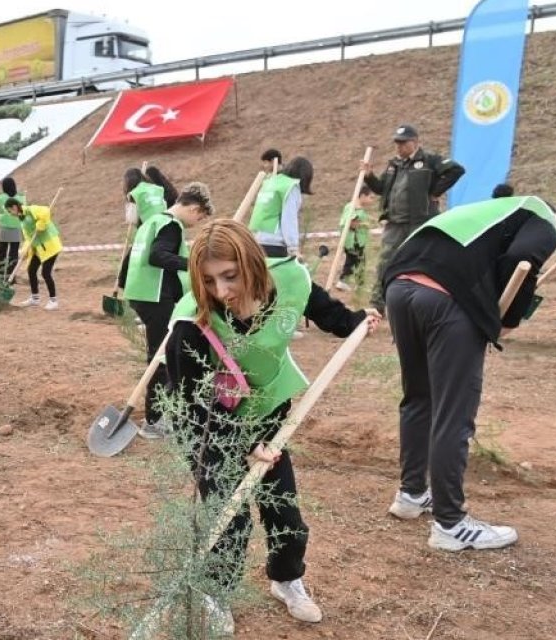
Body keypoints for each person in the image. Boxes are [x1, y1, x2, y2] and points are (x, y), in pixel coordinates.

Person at [164, 219, 379, 630]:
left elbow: (324, 310)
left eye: (230, 276)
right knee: (230, 518)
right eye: (208, 281)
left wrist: (355, 322)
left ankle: (287, 580)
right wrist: (242, 446)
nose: (222, 291)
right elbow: (191, 403)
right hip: (210, 430)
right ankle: (215, 592)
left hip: (266, 419)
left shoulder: (290, 281)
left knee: (285, 513)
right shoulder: (191, 324)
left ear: (253, 263)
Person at [382, 195, 556, 551]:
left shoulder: (484, 212)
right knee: (454, 414)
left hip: (399, 288)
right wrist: (507, 319)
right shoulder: (542, 217)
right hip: (446, 301)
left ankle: (411, 494)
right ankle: (450, 524)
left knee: (419, 398)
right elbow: (522, 258)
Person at [116, 183, 214, 437]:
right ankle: (154, 421)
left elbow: (132, 257)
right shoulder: (171, 225)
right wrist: (194, 263)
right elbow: (158, 256)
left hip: (141, 294)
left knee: (162, 353)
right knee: (161, 358)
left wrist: (122, 284)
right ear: (194, 208)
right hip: (155, 296)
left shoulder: (151, 221)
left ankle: (162, 411)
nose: (196, 223)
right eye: (200, 217)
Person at [363, 124, 466, 312]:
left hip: (420, 223)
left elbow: (456, 170)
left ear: (415, 142)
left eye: (403, 143)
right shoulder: (394, 164)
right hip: (395, 224)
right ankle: (378, 305)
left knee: (423, 263)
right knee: (386, 263)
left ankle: (427, 303)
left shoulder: (429, 160)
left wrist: (435, 192)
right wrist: (369, 176)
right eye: (397, 143)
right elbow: (381, 189)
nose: (399, 147)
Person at [250, 156, 313, 258]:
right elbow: (289, 218)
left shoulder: (271, 182)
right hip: (275, 243)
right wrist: (293, 248)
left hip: (257, 240)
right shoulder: (290, 187)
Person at [9, 197, 63, 310]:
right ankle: (35, 298)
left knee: (45, 273)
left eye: (10, 211)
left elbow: (45, 212)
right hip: (38, 248)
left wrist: (41, 223)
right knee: (31, 270)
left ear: (14, 207)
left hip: (50, 246)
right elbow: (29, 238)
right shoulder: (22, 219)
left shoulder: (30, 210)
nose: (10, 214)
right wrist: (25, 250)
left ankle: (53, 301)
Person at [335, 186, 376, 291]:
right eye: (371, 197)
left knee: (358, 261)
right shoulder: (352, 208)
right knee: (354, 261)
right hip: (354, 241)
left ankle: (359, 284)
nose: (372, 201)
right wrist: (364, 224)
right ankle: (343, 281)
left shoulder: (357, 208)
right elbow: (351, 223)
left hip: (356, 241)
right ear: (362, 196)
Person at [0, 178, 25, 281]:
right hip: (16, 227)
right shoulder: (21, 198)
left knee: (2, 253)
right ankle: (11, 276)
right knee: (14, 254)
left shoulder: (0, 198)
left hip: (4, 227)